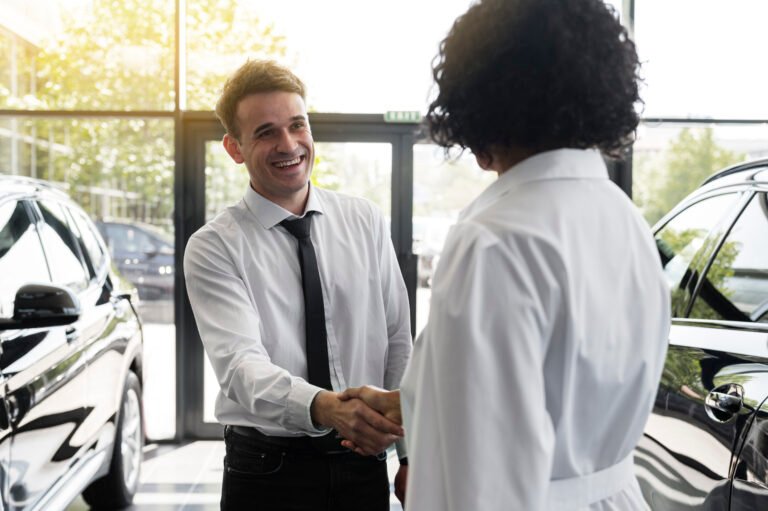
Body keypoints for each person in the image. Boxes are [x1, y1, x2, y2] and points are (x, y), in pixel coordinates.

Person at [341, 0, 671, 509]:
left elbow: (485, 478)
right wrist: (408, 401)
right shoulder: (622, 216)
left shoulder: (495, 240)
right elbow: (564, 390)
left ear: (480, 104)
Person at [183, 60, 412, 511]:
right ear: (234, 148)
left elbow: (397, 339)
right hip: (268, 469)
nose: (288, 145)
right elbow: (241, 368)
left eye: (297, 125)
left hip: (363, 462)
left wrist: (409, 454)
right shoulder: (214, 246)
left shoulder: (363, 220)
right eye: (266, 132)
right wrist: (328, 408)